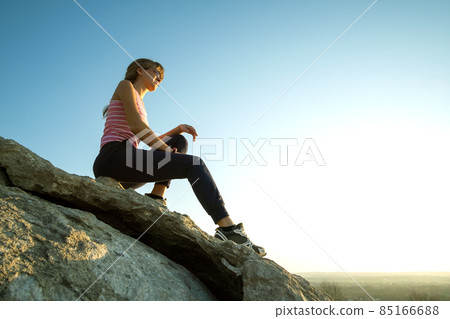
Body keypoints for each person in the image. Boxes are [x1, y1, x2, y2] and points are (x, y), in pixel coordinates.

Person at [93, 58, 266, 256]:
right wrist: (166, 150)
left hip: (128, 165)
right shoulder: (125, 86)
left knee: (178, 141)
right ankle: (228, 230)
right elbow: (136, 127)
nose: (159, 77)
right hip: (113, 158)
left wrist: (178, 130)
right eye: (156, 71)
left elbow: (148, 137)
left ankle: (156, 197)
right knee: (194, 164)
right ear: (140, 71)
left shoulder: (142, 104)